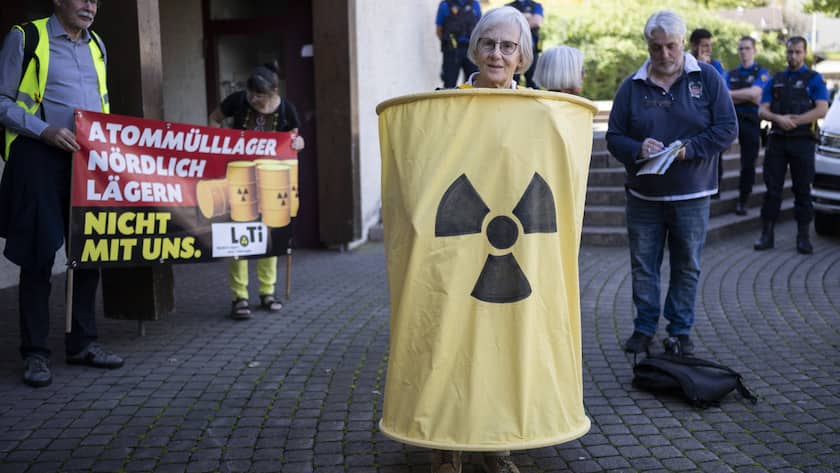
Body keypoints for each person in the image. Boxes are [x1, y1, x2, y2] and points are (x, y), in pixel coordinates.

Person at [0, 0, 124, 388]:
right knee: (39, 254)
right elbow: (2, 101)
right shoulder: (26, 37)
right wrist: (43, 130)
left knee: (88, 251)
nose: (90, 5)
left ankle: (82, 343)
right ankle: (35, 354)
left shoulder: (97, 44)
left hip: (87, 161)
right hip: (38, 155)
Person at [433, 8, 532, 472]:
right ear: (473, 49)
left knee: (503, 346)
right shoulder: (446, 106)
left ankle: (497, 444)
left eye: (507, 46)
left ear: (522, 58)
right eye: (488, 44)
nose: (497, 54)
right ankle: (448, 442)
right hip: (458, 240)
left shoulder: (538, 112)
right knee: (452, 341)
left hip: (513, 247)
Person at [606, 11, 737, 356]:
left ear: (683, 43)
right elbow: (614, 136)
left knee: (687, 265)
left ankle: (679, 331)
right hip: (644, 196)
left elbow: (727, 129)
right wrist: (637, 148)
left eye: (671, 46)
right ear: (647, 46)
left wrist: (688, 150)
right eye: (656, 47)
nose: (664, 54)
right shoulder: (631, 86)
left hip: (692, 193)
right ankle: (644, 328)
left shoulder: (706, 78)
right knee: (643, 264)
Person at [208, 63, 305, 319]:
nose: (253, 99)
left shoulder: (286, 110)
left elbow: (296, 141)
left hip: (272, 184)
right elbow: (214, 119)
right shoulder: (238, 101)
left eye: (259, 95)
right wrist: (222, 143)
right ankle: (239, 297)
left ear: (273, 91)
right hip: (239, 179)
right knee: (237, 235)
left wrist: (298, 142)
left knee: (269, 234)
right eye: (251, 93)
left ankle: (267, 292)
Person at [755, 36, 828, 254]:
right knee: (772, 190)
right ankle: (766, 235)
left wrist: (794, 121)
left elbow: (822, 109)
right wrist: (779, 120)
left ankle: (803, 238)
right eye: (790, 52)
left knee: (802, 190)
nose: (793, 56)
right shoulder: (776, 78)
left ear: (804, 53)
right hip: (777, 140)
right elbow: (762, 109)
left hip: (803, 142)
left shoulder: (814, 79)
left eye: (797, 52)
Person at [727, 36, 769, 216]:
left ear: (754, 50)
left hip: (751, 120)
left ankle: (743, 199)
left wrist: (733, 94)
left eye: (747, 48)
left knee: (748, 162)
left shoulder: (762, 72)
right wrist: (747, 95)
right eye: (741, 48)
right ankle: (714, 192)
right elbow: (723, 94)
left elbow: (757, 93)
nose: (743, 52)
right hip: (731, 118)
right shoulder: (731, 73)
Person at [436, 0, 482, 88]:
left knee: (473, 84)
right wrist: (448, 43)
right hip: (451, 51)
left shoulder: (475, 4)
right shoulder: (445, 5)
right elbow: (439, 30)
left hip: (470, 51)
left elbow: (480, 28)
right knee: (449, 84)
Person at [506, 0, 544, 88]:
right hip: (512, 50)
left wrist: (516, 19)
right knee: (512, 81)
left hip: (532, 50)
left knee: (533, 81)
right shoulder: (508, 6)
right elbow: (506, 25)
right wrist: (527, 16)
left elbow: (537, 22)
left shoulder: (536, 5)